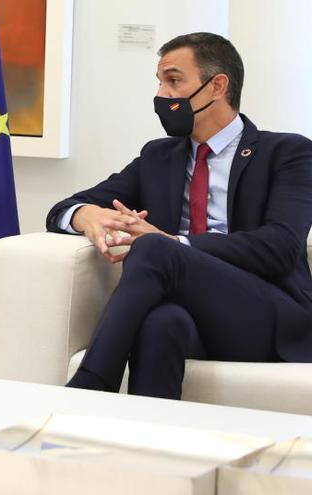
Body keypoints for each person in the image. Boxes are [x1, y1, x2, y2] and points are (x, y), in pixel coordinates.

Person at [47, 32, 312, 399]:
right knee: (160, 323)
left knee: (154, 247)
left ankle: (88, 388)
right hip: (197, 317)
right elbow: (62, 209)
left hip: (269, 315)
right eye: (159, 82)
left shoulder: (288, 152)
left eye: (173, 80)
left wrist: (176, 243)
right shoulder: (159, 157)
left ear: (217, 86)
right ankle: (148, 446)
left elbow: (280, 248)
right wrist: (86, 215)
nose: (161, 94)